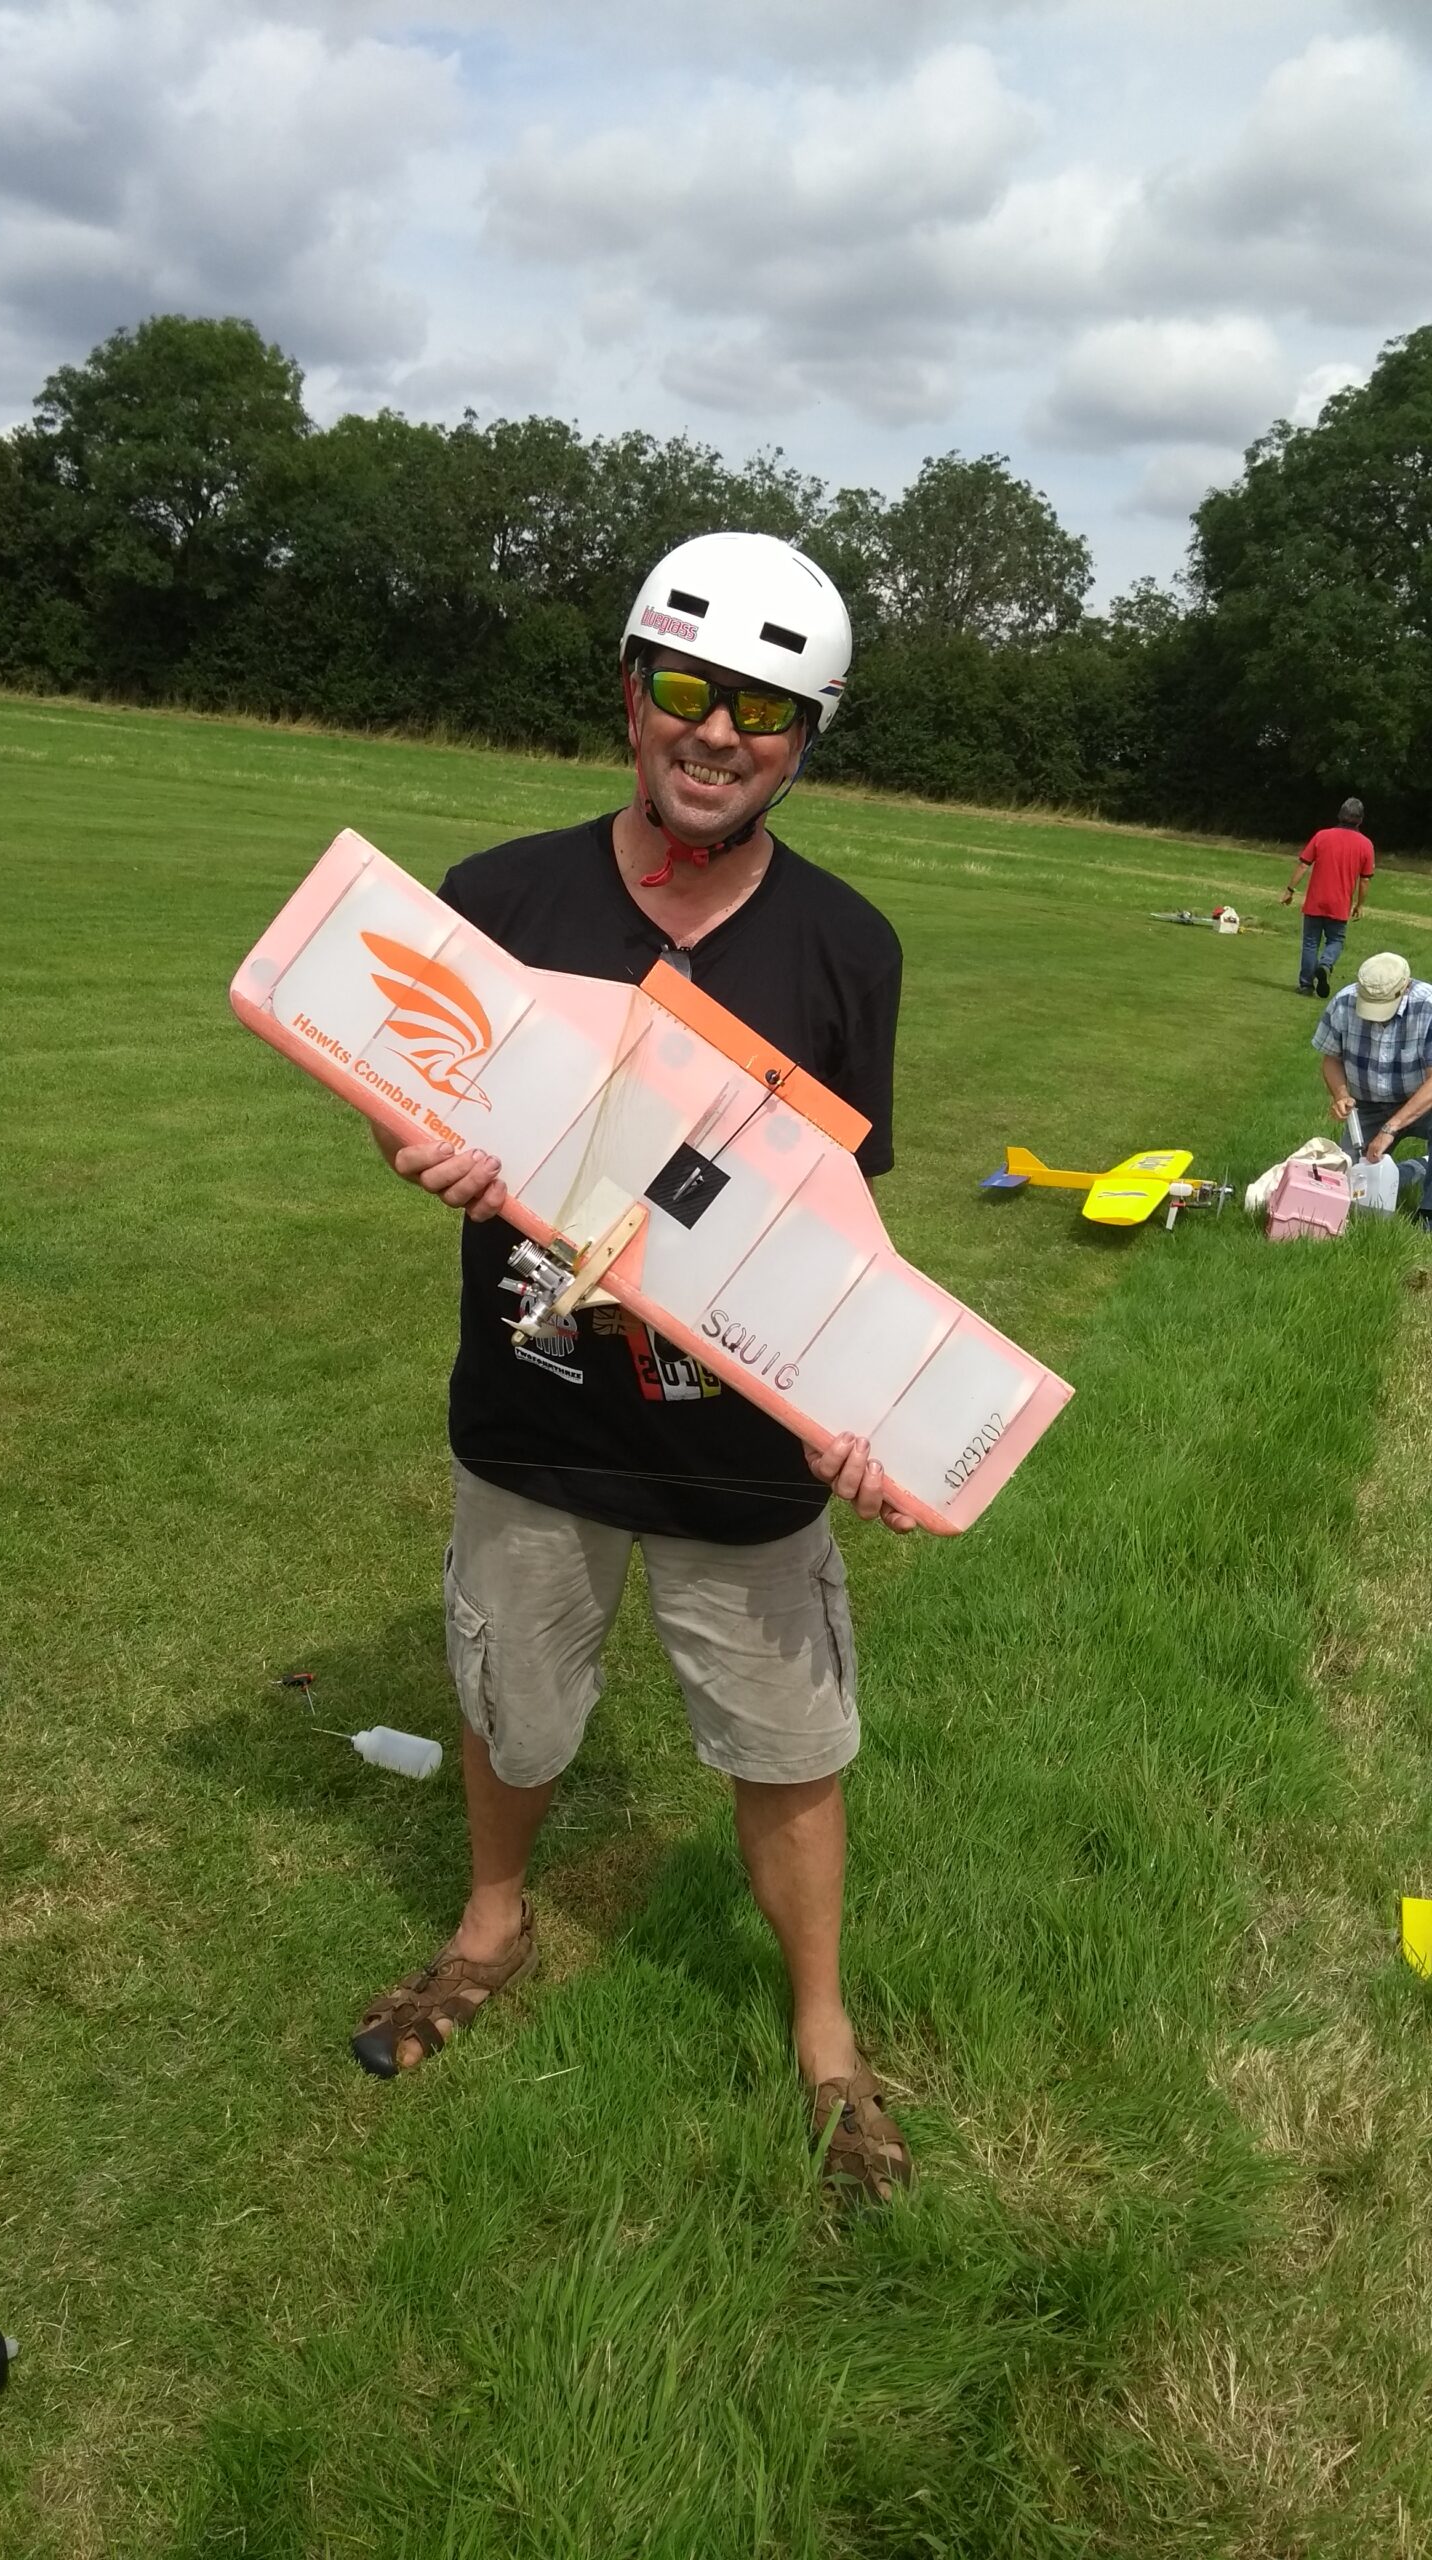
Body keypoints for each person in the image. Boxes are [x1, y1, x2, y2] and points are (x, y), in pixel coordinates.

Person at [349, 533, 915, 2200]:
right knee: (511, 1705)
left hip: (740, 1450)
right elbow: (411, 1090)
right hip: (533, 1414)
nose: (717, 731)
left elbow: (839, 1224)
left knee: (787, 1743)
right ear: (630, 693)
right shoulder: (501, 898)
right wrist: (416, 1144)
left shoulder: (846, 947)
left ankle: (825, 2033)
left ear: (804, 739)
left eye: (764, 709)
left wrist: (869, 1407)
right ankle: (491, 1925)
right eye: (687, 687)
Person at [1312, 951, 1432, 1215]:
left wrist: (1390, 1128)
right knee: (1349, 1184)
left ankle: (1428, 1213)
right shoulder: (1343, 1002)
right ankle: (1415, 1169)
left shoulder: (1428, 1007)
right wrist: (1341, 1095)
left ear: (1405, 987)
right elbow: (1331, 1059)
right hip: (1367, 1104)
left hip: (1422, 1103)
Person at [1281, 797, 1374, 996]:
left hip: (1315, 900)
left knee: (1310, 942)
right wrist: (1359, 904)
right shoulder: (1366, 845)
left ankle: (1306, 985)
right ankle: (1326, 964)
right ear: (1360, 820)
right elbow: (1365, 880)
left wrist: (1290, 890)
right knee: (1336, 940)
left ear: (1340, 815)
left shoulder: (1322, 836)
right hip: (1340, 903)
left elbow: (1303, 865)